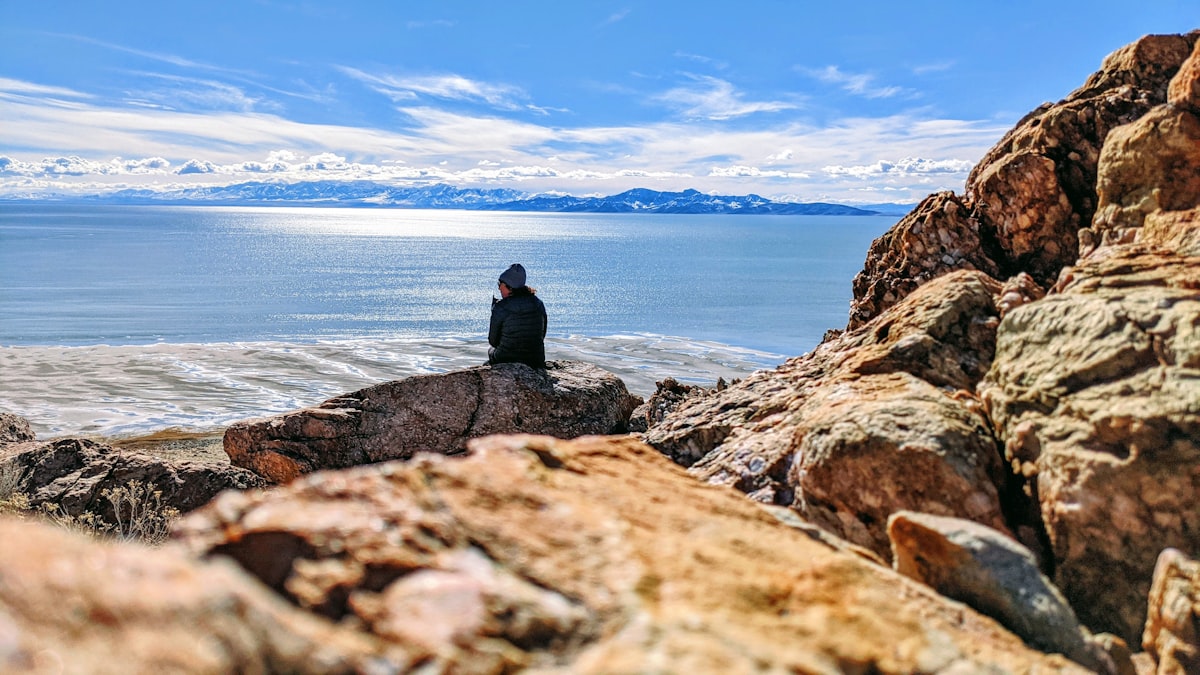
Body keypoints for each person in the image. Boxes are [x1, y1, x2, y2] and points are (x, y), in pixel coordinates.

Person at [488, 263, 548, 369]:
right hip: (535, 359)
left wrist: (494, 311)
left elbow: (493, 341)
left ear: (509, 287)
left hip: (506, 358)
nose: (499, 288)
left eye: (500, 284)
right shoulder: (538, 303)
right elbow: (542, 334)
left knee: (490, 351)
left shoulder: (501, 307)